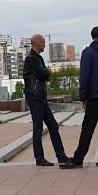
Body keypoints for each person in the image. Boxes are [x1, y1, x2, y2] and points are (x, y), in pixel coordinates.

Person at [62, 26, 98, 169]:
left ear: (92, 37)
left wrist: (83, 97)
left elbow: (85, 76)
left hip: (95, 95)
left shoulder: (88, 52)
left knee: (88, 127)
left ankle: (78, 159)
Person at [23, 34, 69, 167]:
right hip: (35, 97)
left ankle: (61, 156)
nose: (45, 45)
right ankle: (39, 158)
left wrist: (46, 73)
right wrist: (45, 73)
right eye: (43, 42)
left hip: (41, 98)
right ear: (37, 43)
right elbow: (45, 74)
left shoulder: (38, 58)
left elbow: (46, 75)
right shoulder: (30, 59)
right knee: (38, 128)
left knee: (53, 126)